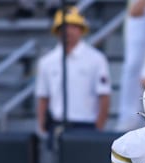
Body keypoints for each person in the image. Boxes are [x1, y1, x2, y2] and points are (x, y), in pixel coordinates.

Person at [35, 6, 111, 135]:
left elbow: (104, 96)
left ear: (81, 30)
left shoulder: (96, 59)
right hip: (56, 124)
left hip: (86, 125)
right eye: (64, 27)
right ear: (57, 31)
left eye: (73, 26)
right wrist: (42, 125)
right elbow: (43, 97)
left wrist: (99, 127)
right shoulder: (46, 62)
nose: (68, 31)